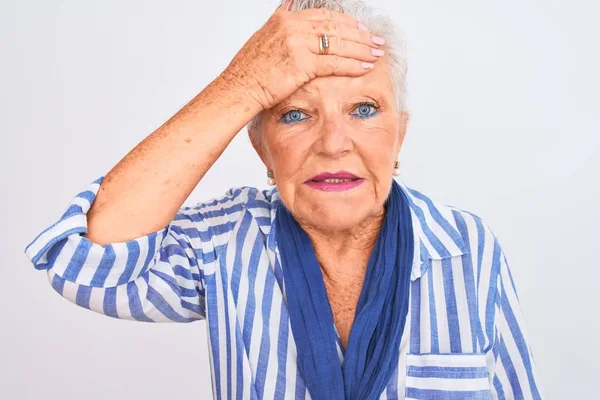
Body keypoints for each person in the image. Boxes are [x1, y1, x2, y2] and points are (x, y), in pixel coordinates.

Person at [23, 0, 543, 398]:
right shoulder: (223, 240)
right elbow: (82, 260)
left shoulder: (468, 247)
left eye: (364, 109)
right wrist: (243, 82)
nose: (334, 143)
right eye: (295, 114)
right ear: (262, 148)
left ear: (399, 134)